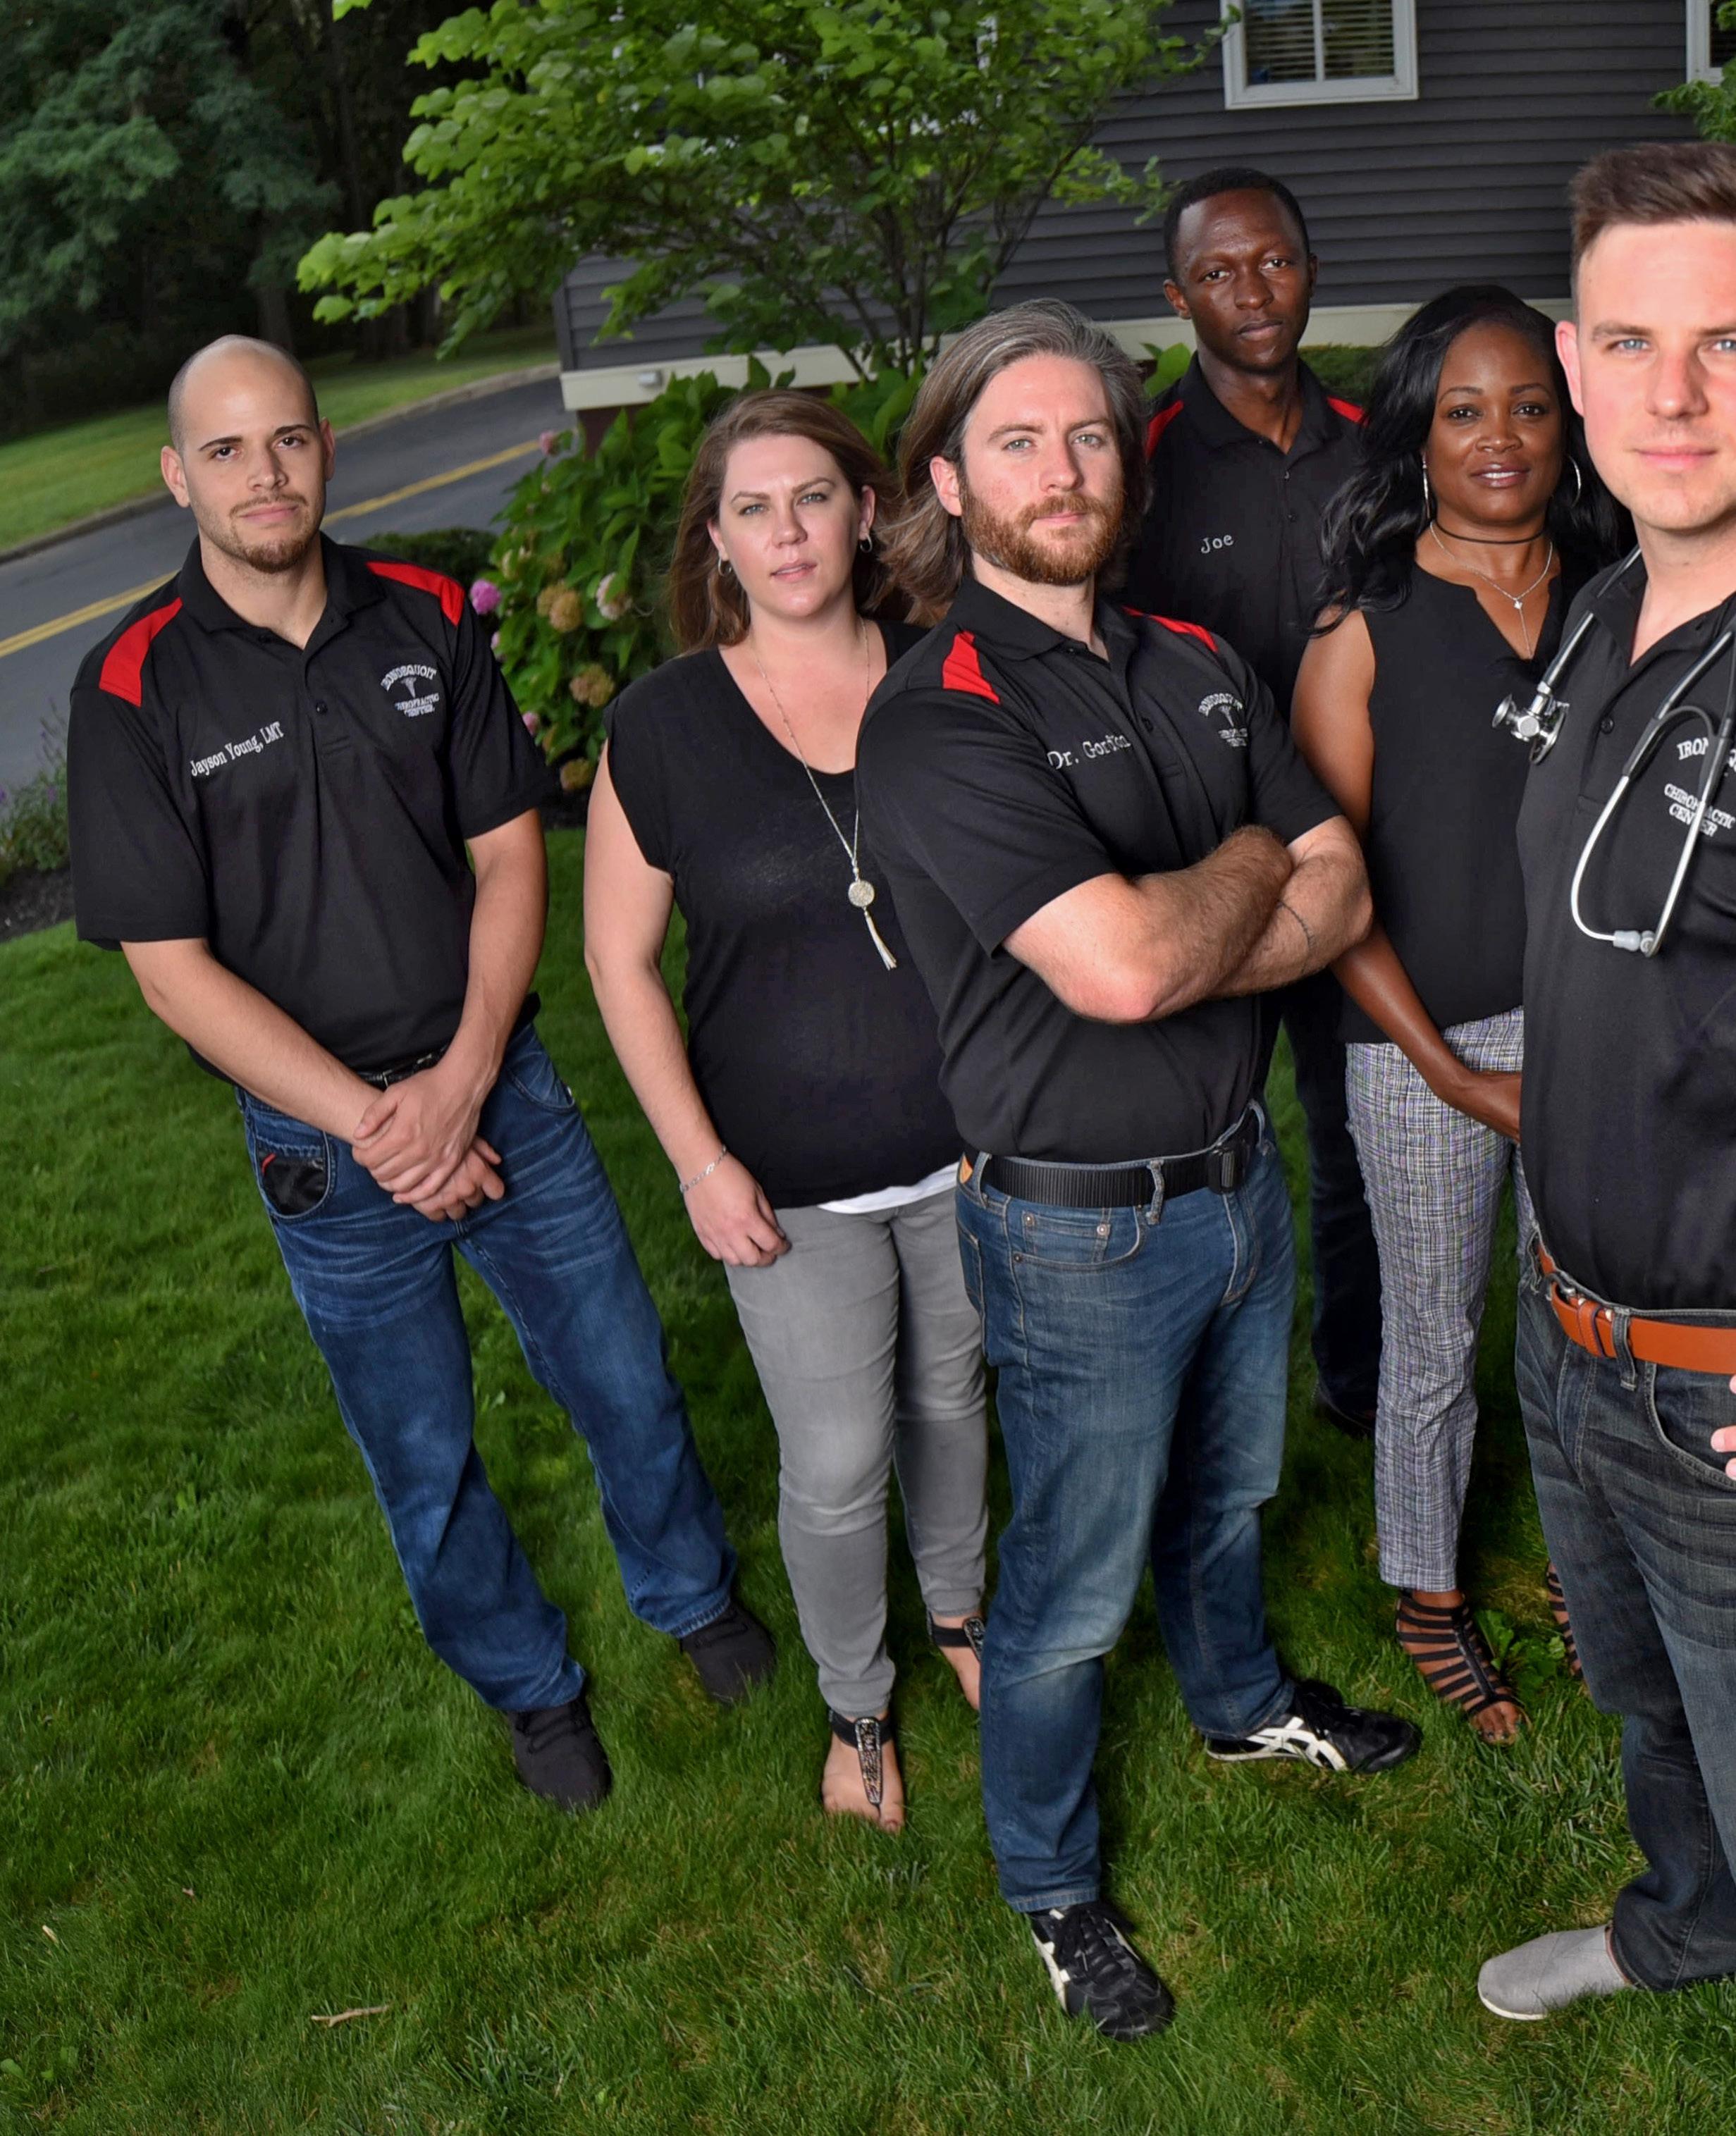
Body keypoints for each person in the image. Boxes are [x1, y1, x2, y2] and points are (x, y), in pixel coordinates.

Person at [65, 335, 772, 1817]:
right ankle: (529, 1685)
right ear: (177, 477)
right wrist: (385, 1127)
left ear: (326, 448)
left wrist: (460, 1081)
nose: (265, 474)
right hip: (326, 1152)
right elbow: (169, 970)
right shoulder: (131, 683)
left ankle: (693, 1595)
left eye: (288, 439)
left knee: (624, 1376)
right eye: (226, 450)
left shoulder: (427, 613)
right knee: (422, 1453)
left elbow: (509, 854)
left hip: (497, 1081)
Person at [857, 298, 1420, 2044]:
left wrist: (1199, 924)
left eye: (1089, 433)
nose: (1063, 468)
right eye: (1016, 441)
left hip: (1241, 1183)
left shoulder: (1191, 656)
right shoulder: (935, 713)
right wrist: (1247, 865)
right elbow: (1120, 969)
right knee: (1071, 1589)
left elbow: (1341, 887)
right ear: (948, 483)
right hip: (1074, 1236)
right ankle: (1048, 1881)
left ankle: (1239, 1703)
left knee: (1231, 1495)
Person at [584, 393, 988, 1831]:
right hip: (784, 1181)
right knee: (834, 1461)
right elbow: (617, 962)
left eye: (812, 497)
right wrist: (699, 1164)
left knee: (953, 1402)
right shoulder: (662, 728)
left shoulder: (950, 675)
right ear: (716, 541)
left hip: (966, 1150)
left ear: (865, 511)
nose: (788, 532)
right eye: (751, 509)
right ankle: (856, 1703)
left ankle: (960, 1614)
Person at [1292, 287, 1627, 1742]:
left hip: (1599, 1032)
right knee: (1433, 1340)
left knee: (1591, 1328)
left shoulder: (1623, 601)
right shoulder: (1362, 629)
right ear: (1416, 435)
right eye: (1464, 411)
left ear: (1570, 427)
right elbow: (1327, 889)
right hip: (1417, 1045)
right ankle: (1426, 1590)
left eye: (1529, 407)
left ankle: (1595, 1573)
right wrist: (1445, 1070)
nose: (1501, 437)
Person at [1477, 141, 1736, 2020]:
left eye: (1730, 342)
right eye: (1632, 342)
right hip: (1568, 1330)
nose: (1676, 395)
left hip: (1717, 1382)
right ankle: (1685, 1926)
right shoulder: (1595, 608)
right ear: (1572, 365)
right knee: (1648, 1705)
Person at [1124, 164, 1384, 1443]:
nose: (1253, 291)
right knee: (1187, 1152)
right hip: (1203, 865)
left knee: (1353, 1137)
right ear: (1180, 299)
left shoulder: (1376, 442)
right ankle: (1177, 1415)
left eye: (1274, 261)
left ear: (1312, 270)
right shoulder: (1144, 465)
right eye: (1218, 273)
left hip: (1358, 856)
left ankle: (1360, 1386)